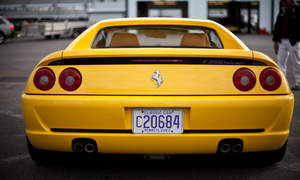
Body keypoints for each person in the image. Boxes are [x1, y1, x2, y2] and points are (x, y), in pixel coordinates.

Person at [273, 0, 300, 91]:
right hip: (282, 41)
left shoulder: (297, 9)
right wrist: (275, 41)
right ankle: (282, 84)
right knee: (280, 62)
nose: (283, 1)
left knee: (296, 62)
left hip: (293, 41)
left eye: (285, 0)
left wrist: (297, 38)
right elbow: (277, 26)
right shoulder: (282, 10)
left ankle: (298, 83)